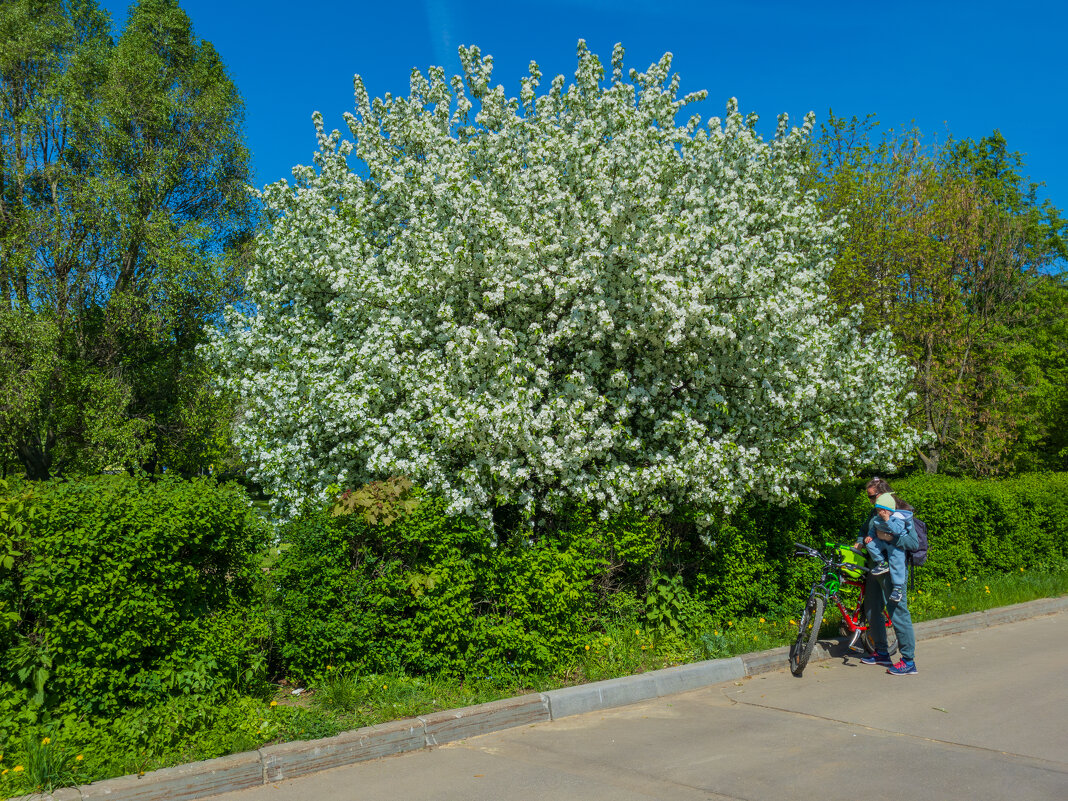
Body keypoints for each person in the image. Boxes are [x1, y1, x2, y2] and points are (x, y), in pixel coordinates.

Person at [857, 477, 919, 676]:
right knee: (872, 610)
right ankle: (881, 652)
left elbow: (913, 543)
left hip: (894, 572)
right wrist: (861, 541)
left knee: (898, 613)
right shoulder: (874, 512)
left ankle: (908, 661)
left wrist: (889, 536)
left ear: (884, 493)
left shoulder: (903, 513)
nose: (871, 501)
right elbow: (864, 531)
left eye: (873, 497)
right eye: (869, 498)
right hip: (875, 568)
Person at [857, 492, 909, 603]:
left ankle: (897, 589)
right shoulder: (878, 518)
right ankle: (881, 563)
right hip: (882, 541)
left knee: (897, 562)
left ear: (887, 510)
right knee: (870, 545)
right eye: (877, 510)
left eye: (880, 510)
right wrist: (870, 536)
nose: (878, 513)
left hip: (895, 545)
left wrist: (887, 520)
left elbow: (897, 530)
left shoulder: (897, 519)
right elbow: (874, 528)